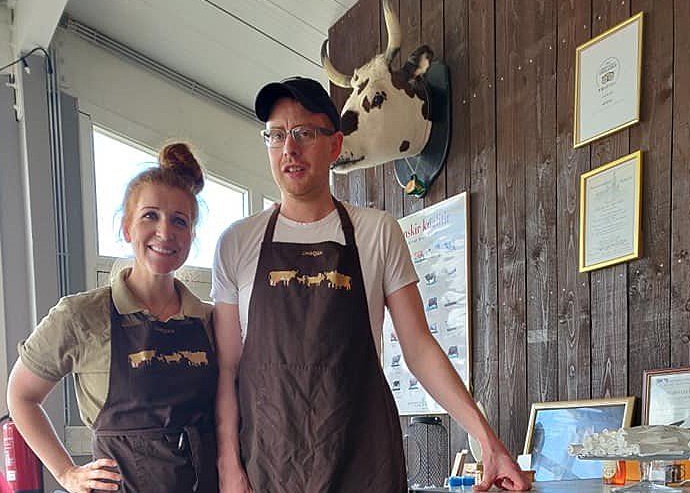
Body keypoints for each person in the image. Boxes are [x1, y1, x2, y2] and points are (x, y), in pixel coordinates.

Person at [212, 77, 531, 493]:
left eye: (304, 133)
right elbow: (228, 369)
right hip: (269, 465)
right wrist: (228, 466)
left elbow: (419, 348)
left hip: (362, 460)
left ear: (335, 145)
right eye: (276, 135)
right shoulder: (236, 242)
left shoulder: (377, 232)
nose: (288, 148)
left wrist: (488, 442)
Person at [7, 143, 219, 493]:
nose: (165, 232)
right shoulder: (81, 316)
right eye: (150, 216)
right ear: (126, 228)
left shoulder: (209, 320)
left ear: (191, 236)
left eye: (179, 221)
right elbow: (21, 396)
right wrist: (66, 473)